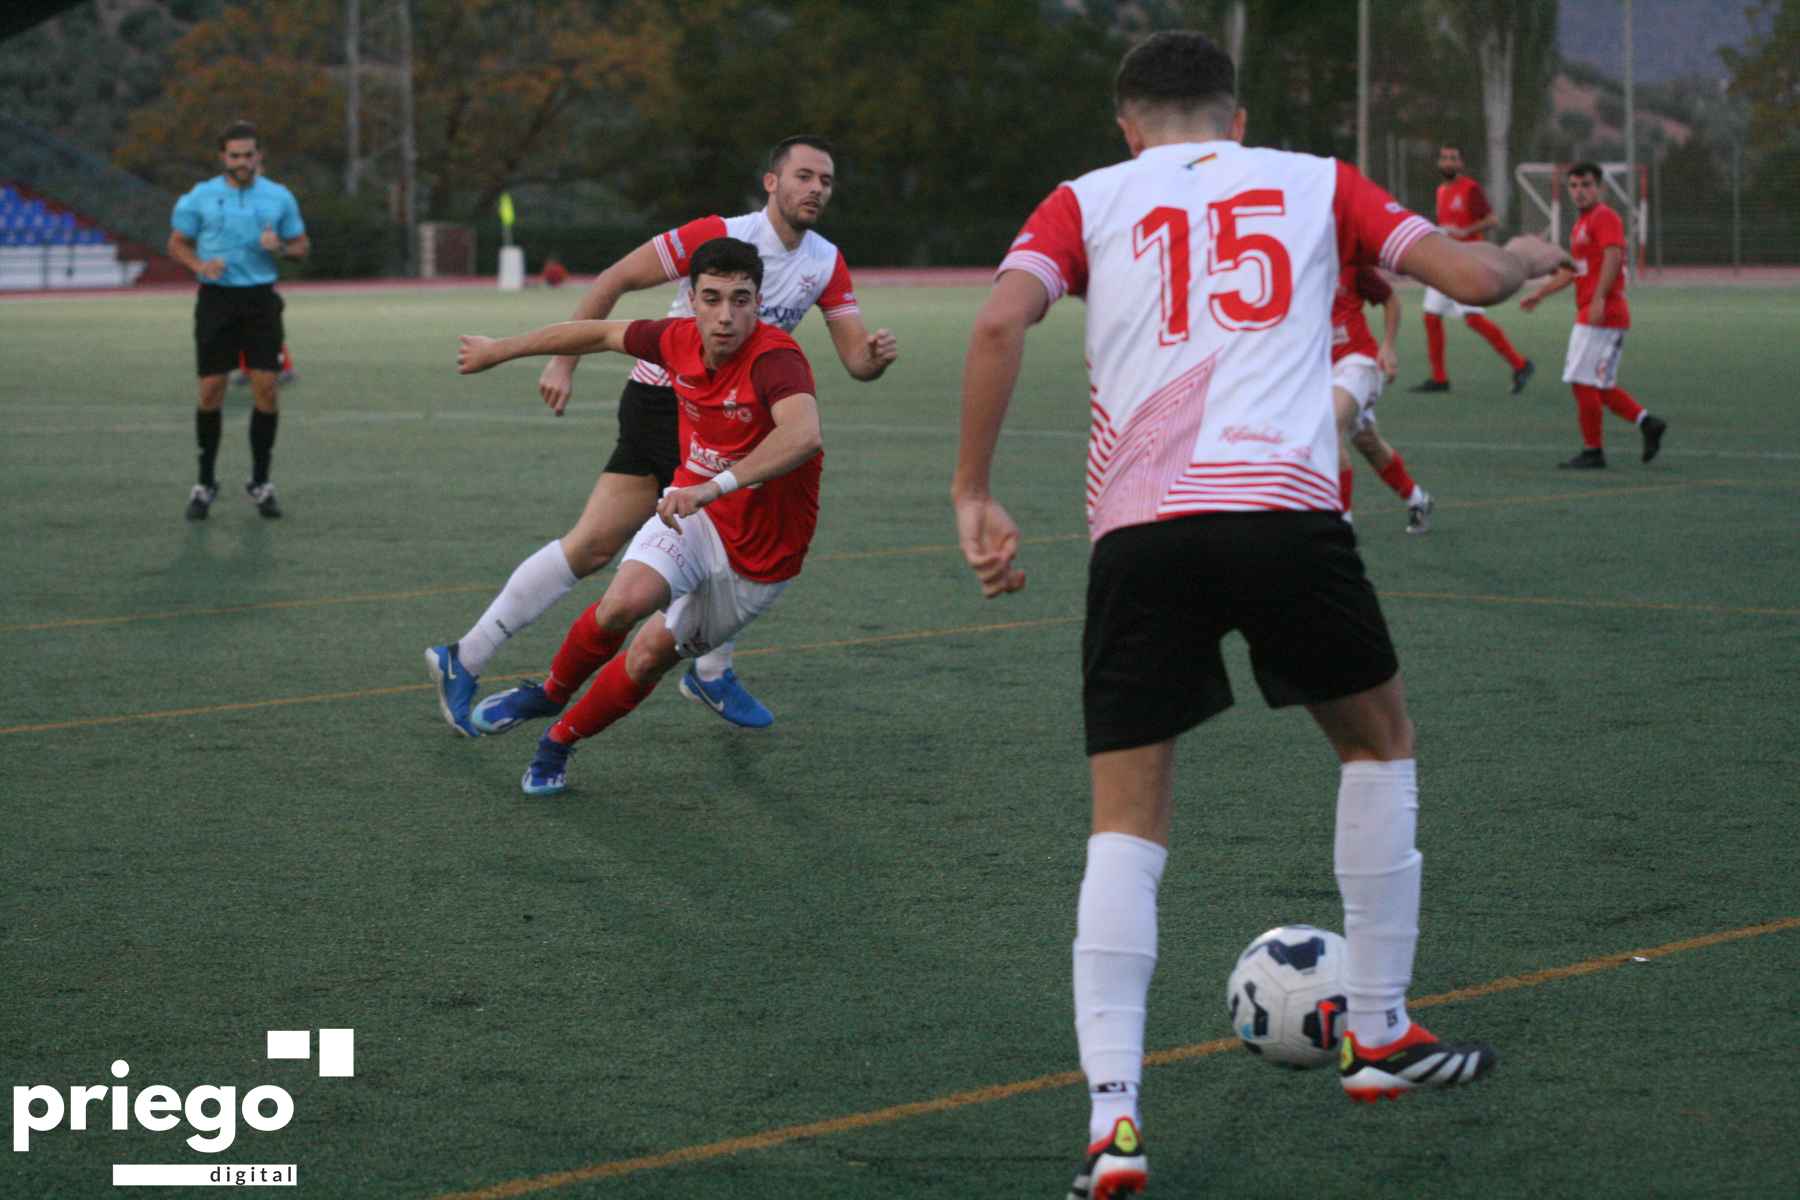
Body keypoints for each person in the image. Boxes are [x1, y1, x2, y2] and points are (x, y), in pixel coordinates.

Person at [950, 32, 1568, 1199]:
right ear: (1236, 122)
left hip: (1139, 532)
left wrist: (974, 493)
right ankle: (1378, 1031)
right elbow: (1478, 281)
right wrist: (1531, 247)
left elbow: (995, 326)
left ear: (1126, 126)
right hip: (1284, 513)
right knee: (1378, 743)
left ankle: (1114, 1124)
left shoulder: (1085, 197)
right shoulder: (1313, 178)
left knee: (1125, 824)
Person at [425, 135, 897, 735]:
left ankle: (466, 656)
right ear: (771, 182)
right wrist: (562, 361)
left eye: (826, 181)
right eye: (803, 176)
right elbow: (617, 278)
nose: (816, 189)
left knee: (605, 545)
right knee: (695, 540)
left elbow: (855, 358)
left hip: (737, 416)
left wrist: (874, 358)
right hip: (666, 404)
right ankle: (703, 667)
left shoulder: (826, 262)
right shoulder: (715, 234)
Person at [453, 237, 824, 795]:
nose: (726, 316)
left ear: (758, 300)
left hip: (759, 557)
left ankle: (559, 740)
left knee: (650, 655)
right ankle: (551, 691)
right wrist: (499, 349)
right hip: (693, 516)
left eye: (741, 299)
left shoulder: (777, 361)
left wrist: (714, 486)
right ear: (691, 300)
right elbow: (598, 333)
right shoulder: (675, 340)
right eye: (713, 298)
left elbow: (803, 435)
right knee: (620, 604)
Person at [168, 120, 308, 520]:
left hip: (261, 301)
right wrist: (198, 264)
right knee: (211, 390)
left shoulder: (278, 196)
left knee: (267, 390)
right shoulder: (200, 196)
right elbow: (176, 242)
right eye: (235, 156)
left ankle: (260, 482)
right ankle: (205, 482)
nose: (242, 162)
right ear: (222, 157)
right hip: (216, 301)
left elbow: (301, 246)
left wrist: (279, 246)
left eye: (249, 155)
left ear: (258, 156)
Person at [1519, 162, 1668, 469]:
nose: (1579, 191)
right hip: (1593, 312)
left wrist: (1599, 297)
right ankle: (1647, 423)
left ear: (1599, 188)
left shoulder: (1604, 217)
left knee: (1579, 379)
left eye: (1586, 185)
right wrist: (1540, 293)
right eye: (1573, 186)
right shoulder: (1579, 226)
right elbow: (1573, 272)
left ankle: (1593, 450)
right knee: (1598, 386)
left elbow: (1613, 256)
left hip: (1602, 313)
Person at [1407, 143, 1534, 397]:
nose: (1447, 162)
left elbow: (1492, 220)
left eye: (1452, 158)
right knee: (1431, 316)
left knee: (1474, 319)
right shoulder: (1441, 190)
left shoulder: (1470, 189)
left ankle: (1520, 364)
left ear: (1460, 164)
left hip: (1468, 263)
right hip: (1444, 260)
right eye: (1443, 158)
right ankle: (1439, 378)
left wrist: (1465, 231)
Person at [1332, 265, 1434, 534]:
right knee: (1367, 441)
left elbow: (1390, 299)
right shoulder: (1291, 261)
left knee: (1329, 430)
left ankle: (1341, 523)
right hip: (1317, 369)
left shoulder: (1350, 263)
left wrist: (1388, 346)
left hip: (1357, 361)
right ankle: (1417, 499)